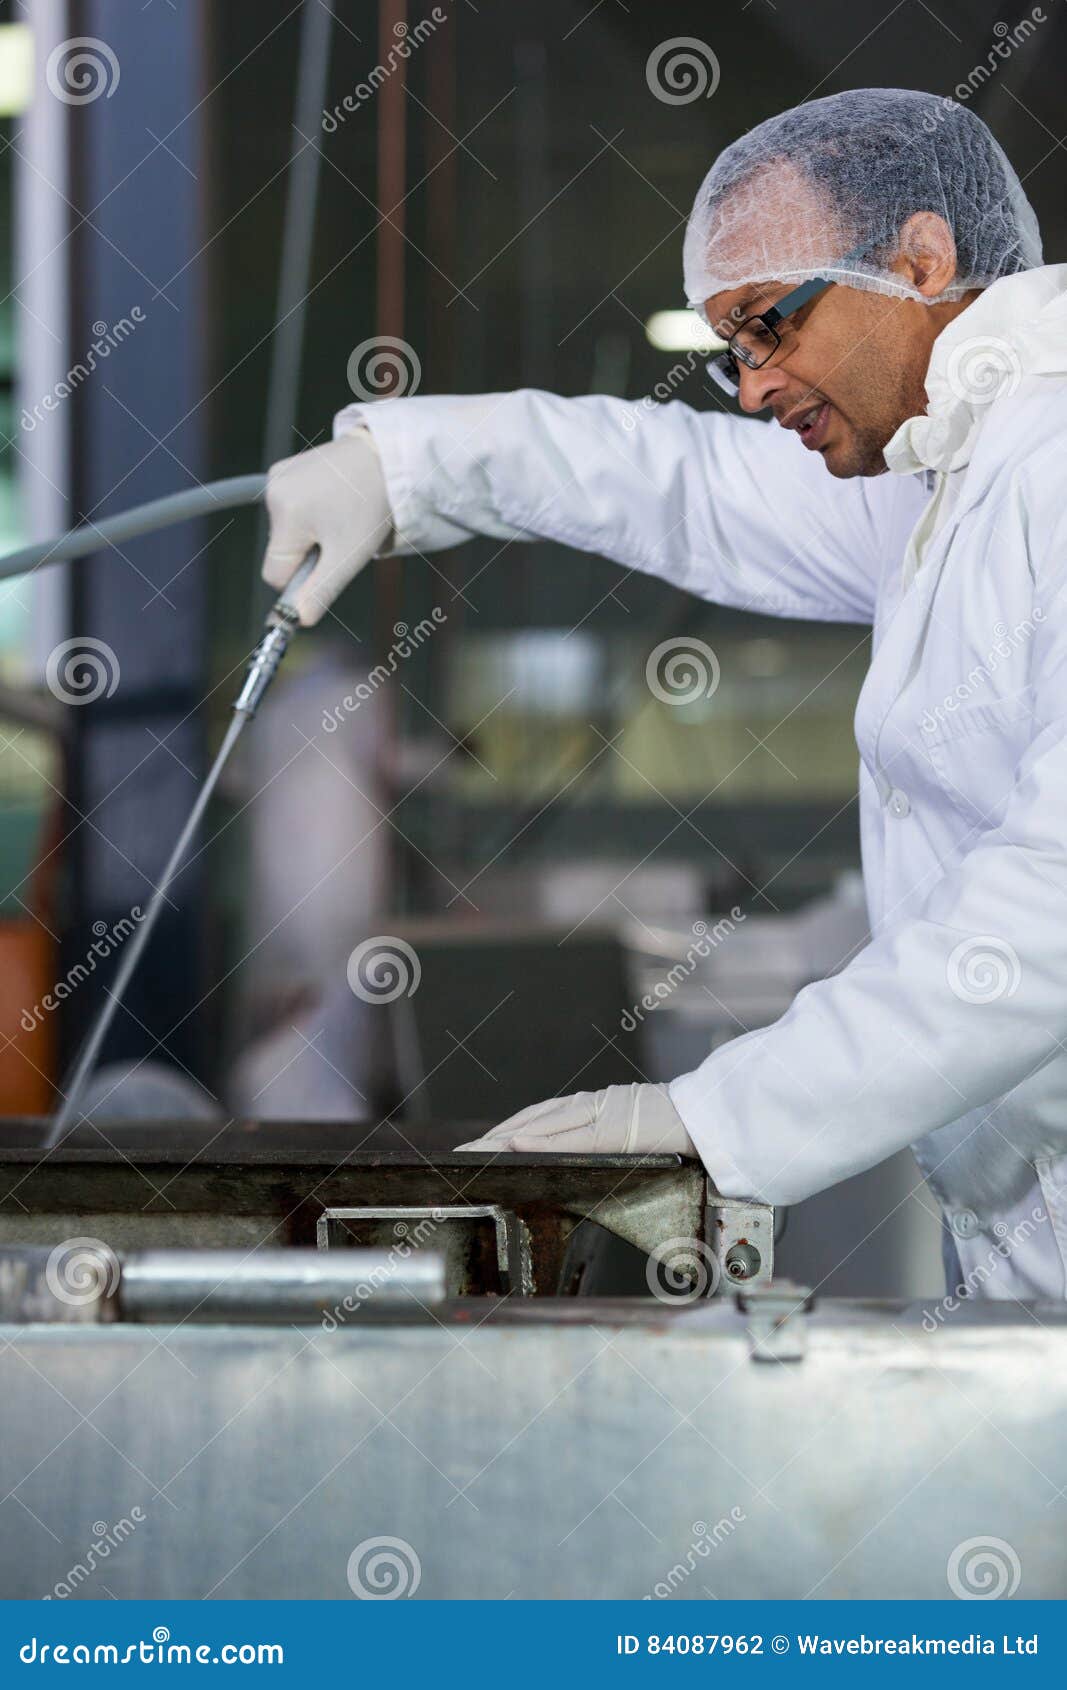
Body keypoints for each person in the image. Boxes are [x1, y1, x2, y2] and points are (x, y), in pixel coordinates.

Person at [261, 88, 1067, 1300]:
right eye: (732, 349)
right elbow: (685, 486)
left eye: (767, 328)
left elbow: (1042, 920)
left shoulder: (1045, 466)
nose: (749, 386)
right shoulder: (945, 463)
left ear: (919, 257)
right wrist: (406, 463)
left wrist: (704, 1121)